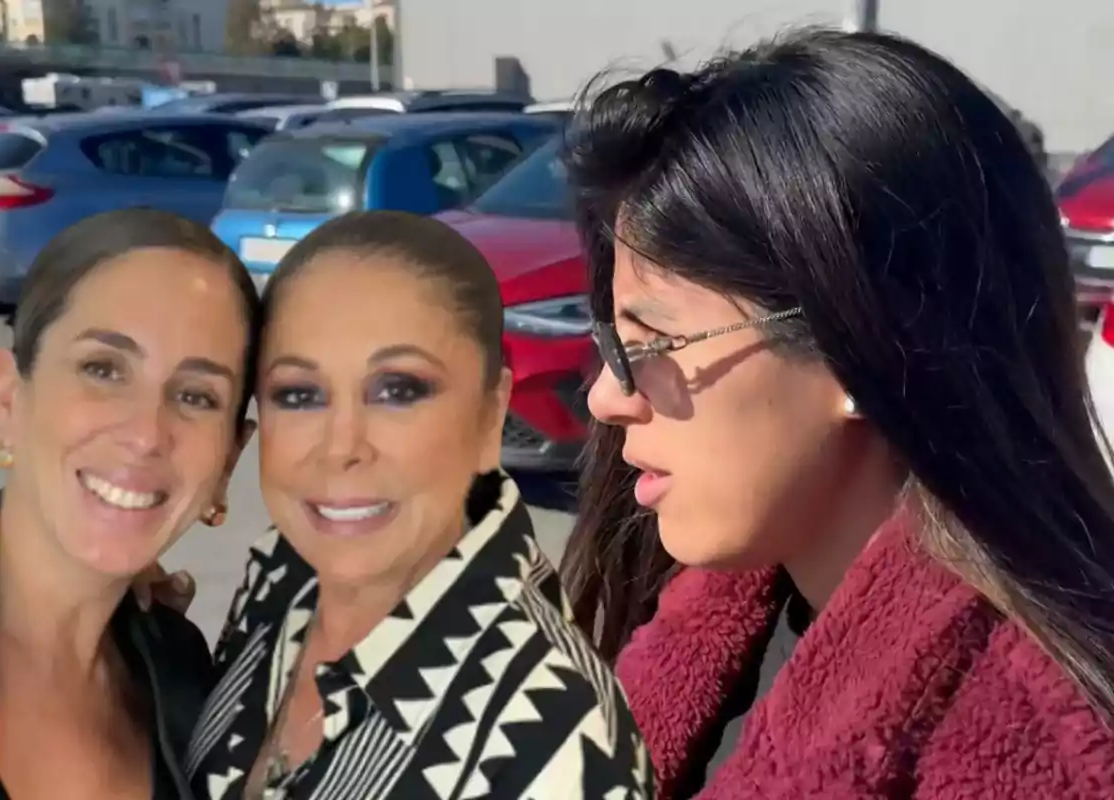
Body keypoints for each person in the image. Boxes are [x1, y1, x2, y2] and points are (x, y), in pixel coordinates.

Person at [559, 28, 1114, 800]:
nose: (607, 396)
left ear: (863, 345)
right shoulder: (705, 627)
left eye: (658, 341)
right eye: (617, 342)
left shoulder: (1050, 755)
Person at [186, 211, 653, 800]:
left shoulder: (554, 744)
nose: (342, 445)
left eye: (399, 390)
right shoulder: (282, 573)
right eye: (298, 394)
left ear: (491, 413)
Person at [0, 209, 260, 800]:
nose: (147, 433)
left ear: (229, 459)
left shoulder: (185, 676)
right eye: (103, 369)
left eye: (197, 395)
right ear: (7, 401)